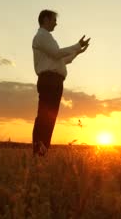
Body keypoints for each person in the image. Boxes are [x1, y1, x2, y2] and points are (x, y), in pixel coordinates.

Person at [31, 9, 90, 156]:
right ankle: (38, 151)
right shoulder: (42, 36)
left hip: (54, 81)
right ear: (45, 19)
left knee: (49, 117)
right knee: (45, 116)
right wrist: (76, 45)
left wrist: (77, 52)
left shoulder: (47, 38)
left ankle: (42, 151)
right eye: (53, 20)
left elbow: (62, 60)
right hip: (49, 80)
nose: (56, 23)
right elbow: (57, 54)